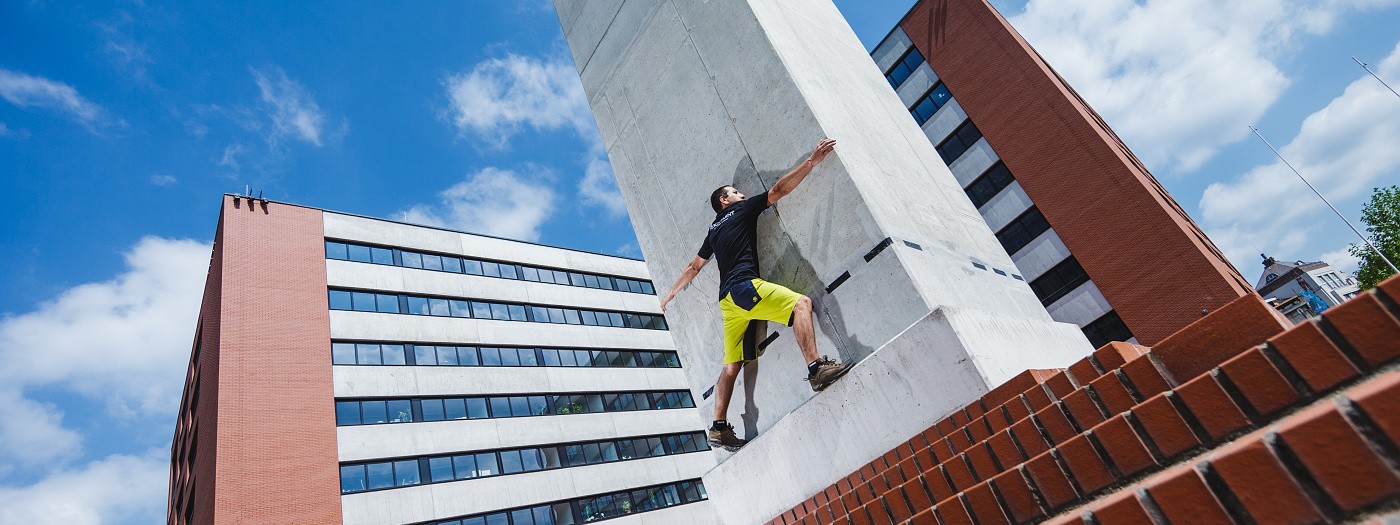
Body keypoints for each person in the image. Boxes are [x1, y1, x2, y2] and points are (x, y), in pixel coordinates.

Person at [659, 138, 849, 451]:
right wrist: (810, 162)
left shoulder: (713, 231)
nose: (743, 194)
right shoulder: (743, 210)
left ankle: (718, 426)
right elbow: (779, 191)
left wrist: (667, 298)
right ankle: (817, 368)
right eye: (735, 192)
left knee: (732, 363)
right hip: (745, 289)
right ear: (724, 200)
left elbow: (694, 267)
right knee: (802, 303)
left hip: (728, 302)